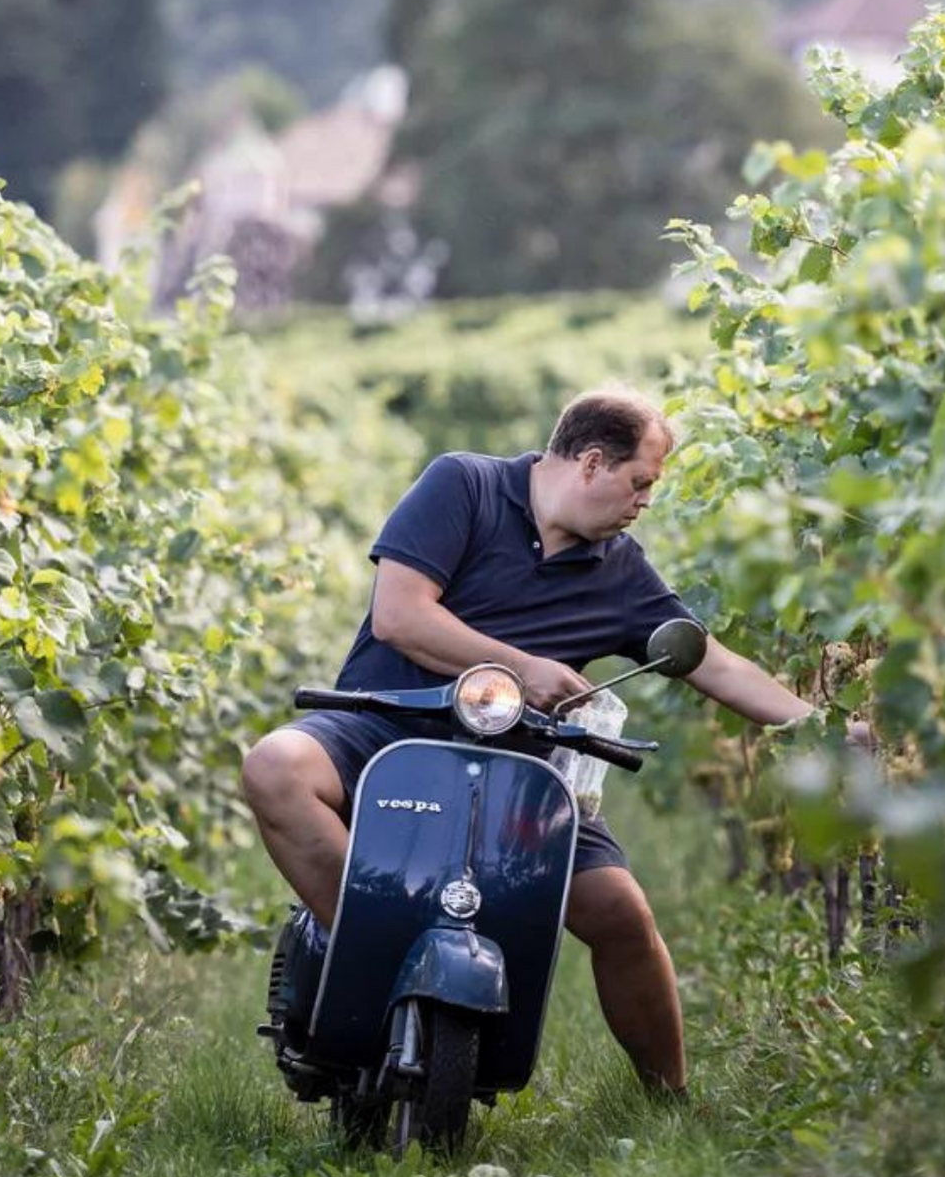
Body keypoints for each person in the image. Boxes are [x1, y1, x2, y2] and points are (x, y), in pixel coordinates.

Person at [241, 389, 812, 1095]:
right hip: (387, 730)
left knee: (622, 913)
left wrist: (813, 725)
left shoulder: (621, 569)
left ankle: (670, 1101)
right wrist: (524, 666)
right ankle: (378, 963)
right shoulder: (464, 485)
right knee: (275, 766)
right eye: (641, 482)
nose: (644, 502)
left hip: (521, 773)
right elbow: (398, 616)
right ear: (594, 462)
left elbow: (715, 663)